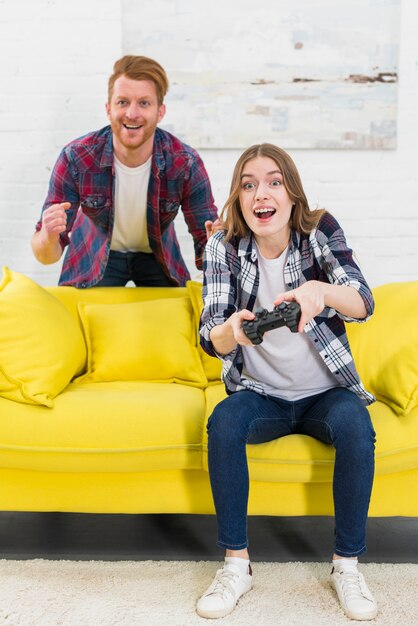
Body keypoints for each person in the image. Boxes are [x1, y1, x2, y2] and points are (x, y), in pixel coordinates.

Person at [197, 143, 378, 621]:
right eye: (249, 184)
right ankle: (237, 566)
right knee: (223, 425)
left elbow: (363, 301)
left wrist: (321, 291)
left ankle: (347, 566)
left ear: (292, 194)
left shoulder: (318, 231)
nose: (262, 193)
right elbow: (209, 335)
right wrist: (231, 332)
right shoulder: (223, 245)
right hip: (262, 396)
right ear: (238, 199)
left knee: (357, 429)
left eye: (275, 181)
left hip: (326, 393)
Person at [31, 55, 219, 287]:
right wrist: (49, 236)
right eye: (122, 102)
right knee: (83, 320)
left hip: (157, 255)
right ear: (108, 109)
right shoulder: (76, 157)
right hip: (94, 256)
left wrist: (216, 243)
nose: (132, 113)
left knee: (177, 319)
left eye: (144, 103)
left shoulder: (185, 163)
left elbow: (208, 247)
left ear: (160, 112)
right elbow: (45, 255)